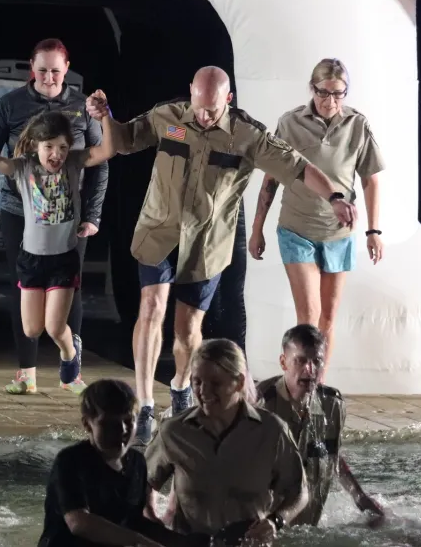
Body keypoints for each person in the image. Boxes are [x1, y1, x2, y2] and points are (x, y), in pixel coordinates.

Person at [86, 66, 358, 444]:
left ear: (227, 100)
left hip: (205, 244)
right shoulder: (169, 117)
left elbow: (299, 168)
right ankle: (145, 404)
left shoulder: (248, 135)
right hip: (159, 233)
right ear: (191, 95)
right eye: (198, 107)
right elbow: (124, 142)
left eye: (212, 110)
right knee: (151, 308)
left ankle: (180, 388)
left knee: (187, 331)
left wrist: (335, 197)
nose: (203, 116)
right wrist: (106, 119)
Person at [0, 38, 108, 395]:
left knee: (69, 292)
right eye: (42, 70)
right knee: (24, 290)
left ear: (66, 70)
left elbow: (101, 160)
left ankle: (70, 372)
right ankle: (26, 372)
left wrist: (92, 214)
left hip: (68, 216)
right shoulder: (12, 104)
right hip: (21, 210)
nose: (48, 77)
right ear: (32, 67)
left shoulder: (80, 106)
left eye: (55, 71)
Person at [249, 59, 385, 377]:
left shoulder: (357, 124)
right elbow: (270, 179)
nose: (330, 101)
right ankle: (298, 383)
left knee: (327, 318)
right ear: (313, 89)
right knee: (309, 315)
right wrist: (257, 229)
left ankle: (317, 387)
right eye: (324, 93)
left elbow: (370, 179)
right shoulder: (290, 122)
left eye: (339, 94)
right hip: (297, 228)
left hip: (338, 233)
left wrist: (373, 230)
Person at [144, 339, 309, 545]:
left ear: (239, 382)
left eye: (215, 383)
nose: (203, 391)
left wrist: (275, 521)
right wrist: (152, 520)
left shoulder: (271, 431)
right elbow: (142, 482)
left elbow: (299, 492)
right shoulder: (174, 431)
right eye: (197, 382)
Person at [38, 379, 207, 547]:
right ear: (87, 424)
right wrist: (140, 542)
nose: (121, 431)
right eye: (109, 424)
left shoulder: (136, 463)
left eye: (128, 421)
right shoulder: (70, 461)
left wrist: (182, 541)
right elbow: (79, 522)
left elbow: (135, 521)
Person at [255, 324, 384, 527]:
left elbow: (331, 455)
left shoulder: (331, 404)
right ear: (283, 362)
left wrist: (359, 497)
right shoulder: (261, 404)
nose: (310, 369)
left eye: (317, 361)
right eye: (301, 361)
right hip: (266, 525)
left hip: (308, 527)